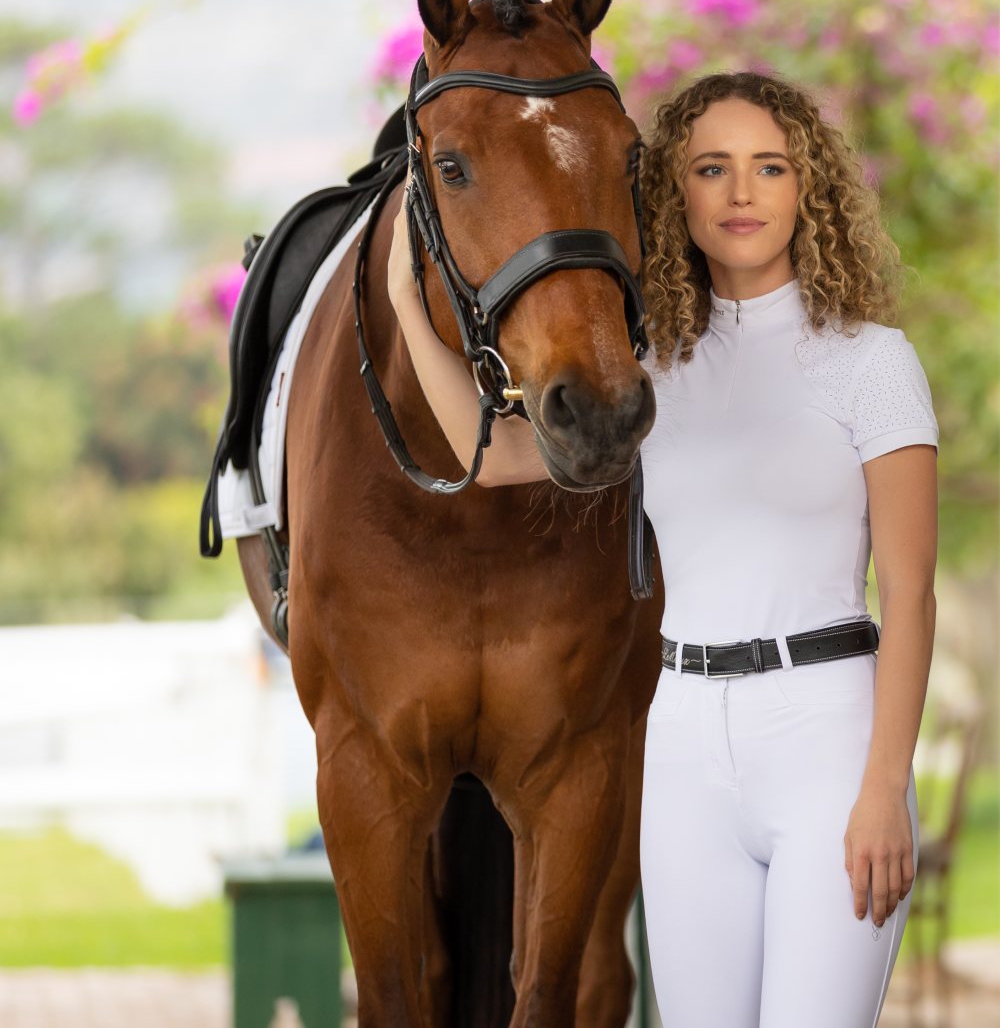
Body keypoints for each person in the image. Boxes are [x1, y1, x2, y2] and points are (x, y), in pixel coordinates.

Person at [386, 69, 939, 1028]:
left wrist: (886, 786)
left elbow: (913, 593)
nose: (739, 193)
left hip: (827, 738)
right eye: (710, 168)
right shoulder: (657, 371)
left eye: (769, 167)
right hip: (681, 744)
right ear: (670, 195)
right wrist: (404, 301)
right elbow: (493, 460)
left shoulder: (871, 361)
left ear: (808, 188)